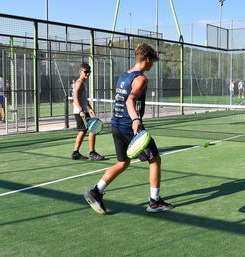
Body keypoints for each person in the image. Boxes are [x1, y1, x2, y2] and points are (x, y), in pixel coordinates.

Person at [84, 43, 173, 214]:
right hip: (129, 126)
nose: (152, 65)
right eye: (152, 62)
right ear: (147, 59)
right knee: (155, 160)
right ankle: (155, 202)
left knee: (123, 162)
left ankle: (96, 191)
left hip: (116, 124)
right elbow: (130, 101)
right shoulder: (141, 79)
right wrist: (135, 120)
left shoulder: (124, 75)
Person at [71, 64, 106, 161]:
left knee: (83, 131)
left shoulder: (83, 83)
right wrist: (81, 110)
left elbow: (83, 98)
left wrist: (90, 109)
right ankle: (92, 153)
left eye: (89, 72)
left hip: (82, 111)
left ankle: (75, 153)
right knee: (92, 129)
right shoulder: (79, 83)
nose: (88, 74)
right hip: (80, 112)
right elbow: (75, 98)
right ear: (80, 72)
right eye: (86, 72)